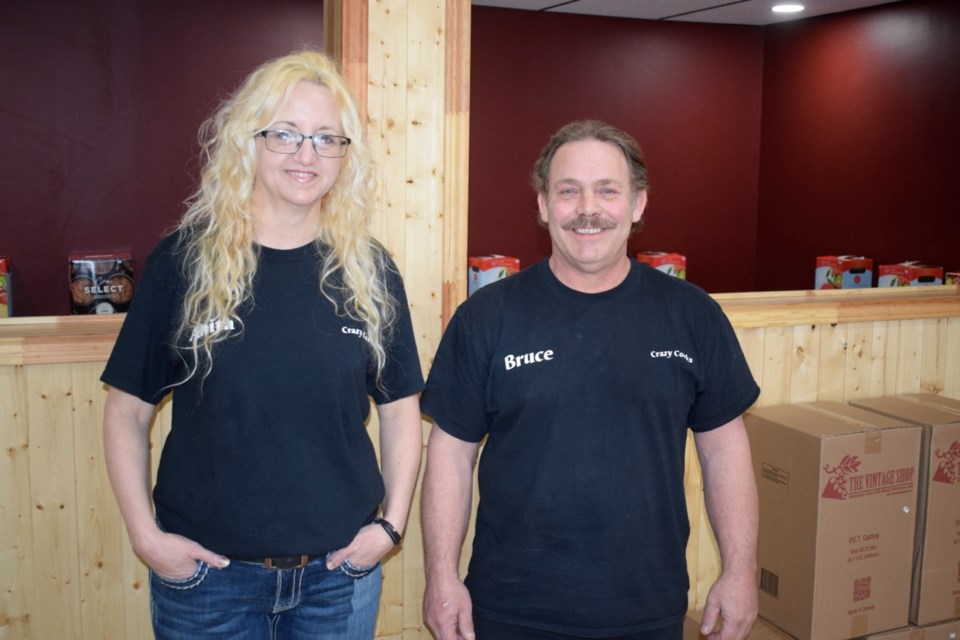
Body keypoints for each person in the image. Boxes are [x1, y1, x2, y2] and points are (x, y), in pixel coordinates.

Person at [101, 49, 424, 640]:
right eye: (286, 134)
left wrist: (391, 527)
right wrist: (146, 536)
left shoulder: (370, 269)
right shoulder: (186, 261)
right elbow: (126, 413)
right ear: (247, 141)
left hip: (339, 578)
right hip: (208, 583)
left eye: (328, 138)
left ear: (345, 156)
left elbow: (401, 409)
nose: (307, 154)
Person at [420, 120, 760, 640]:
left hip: (647, 605)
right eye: (568, 191)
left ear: (638, 204)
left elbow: (724, 450)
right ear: (542, 204)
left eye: (607, 190)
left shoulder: (692, 315)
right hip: (511, 607)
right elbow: (450, 453)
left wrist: (740, 573)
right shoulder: (487, 318)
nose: (587, 209)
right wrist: (440, 575)